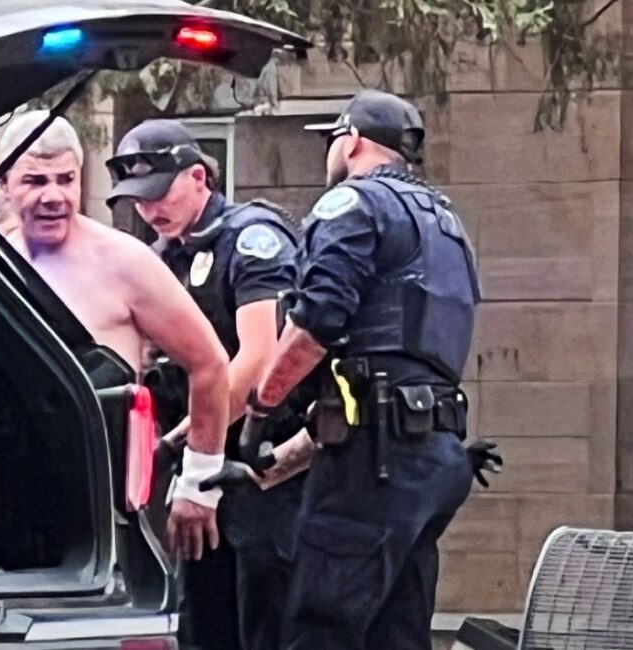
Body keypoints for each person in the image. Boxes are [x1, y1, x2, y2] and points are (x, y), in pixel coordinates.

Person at [239, 89, 481, 650]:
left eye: (331, 139)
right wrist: (270, 467)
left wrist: (262, 406)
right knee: (396, 633)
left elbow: (317, 324)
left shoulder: (352, 204)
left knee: (321, 629)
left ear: (350, 140)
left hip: (374, 466)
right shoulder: (446, 223)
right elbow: (383, 378)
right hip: (432, 460)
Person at [0, 111, 231, 561]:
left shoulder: (125, 261)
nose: (53, 196)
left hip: (112, 495)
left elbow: (210, 363)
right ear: (5, 184)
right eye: (35, 181)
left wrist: (200, 482)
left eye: (66, 179)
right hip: (16, 485)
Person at [106, 119, 304, 650]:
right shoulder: (160, 255)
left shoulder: (251, 238)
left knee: (263, 619)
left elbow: (260, 356)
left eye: (160, 193)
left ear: (200, 177)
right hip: (201, 464)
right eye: (138, 200)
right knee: (203, 620)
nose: (149, 210)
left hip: (261, 466)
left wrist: (187, 448)